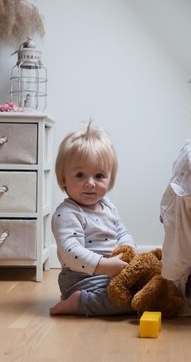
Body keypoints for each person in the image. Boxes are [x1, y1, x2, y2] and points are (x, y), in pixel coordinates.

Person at [50, 121, 136, 316]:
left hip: (111, 271)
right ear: (64, 178)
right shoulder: (67, 213)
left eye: (99, 176)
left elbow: (121, 231)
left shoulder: (108, 206)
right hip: (82, 278)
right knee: (125, 301)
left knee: (148, 285)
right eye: (80, 175)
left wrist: (128, 249)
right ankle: (79, 301)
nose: (90, 183)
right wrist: (103, 266)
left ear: (110, 179)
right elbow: (71, 252)